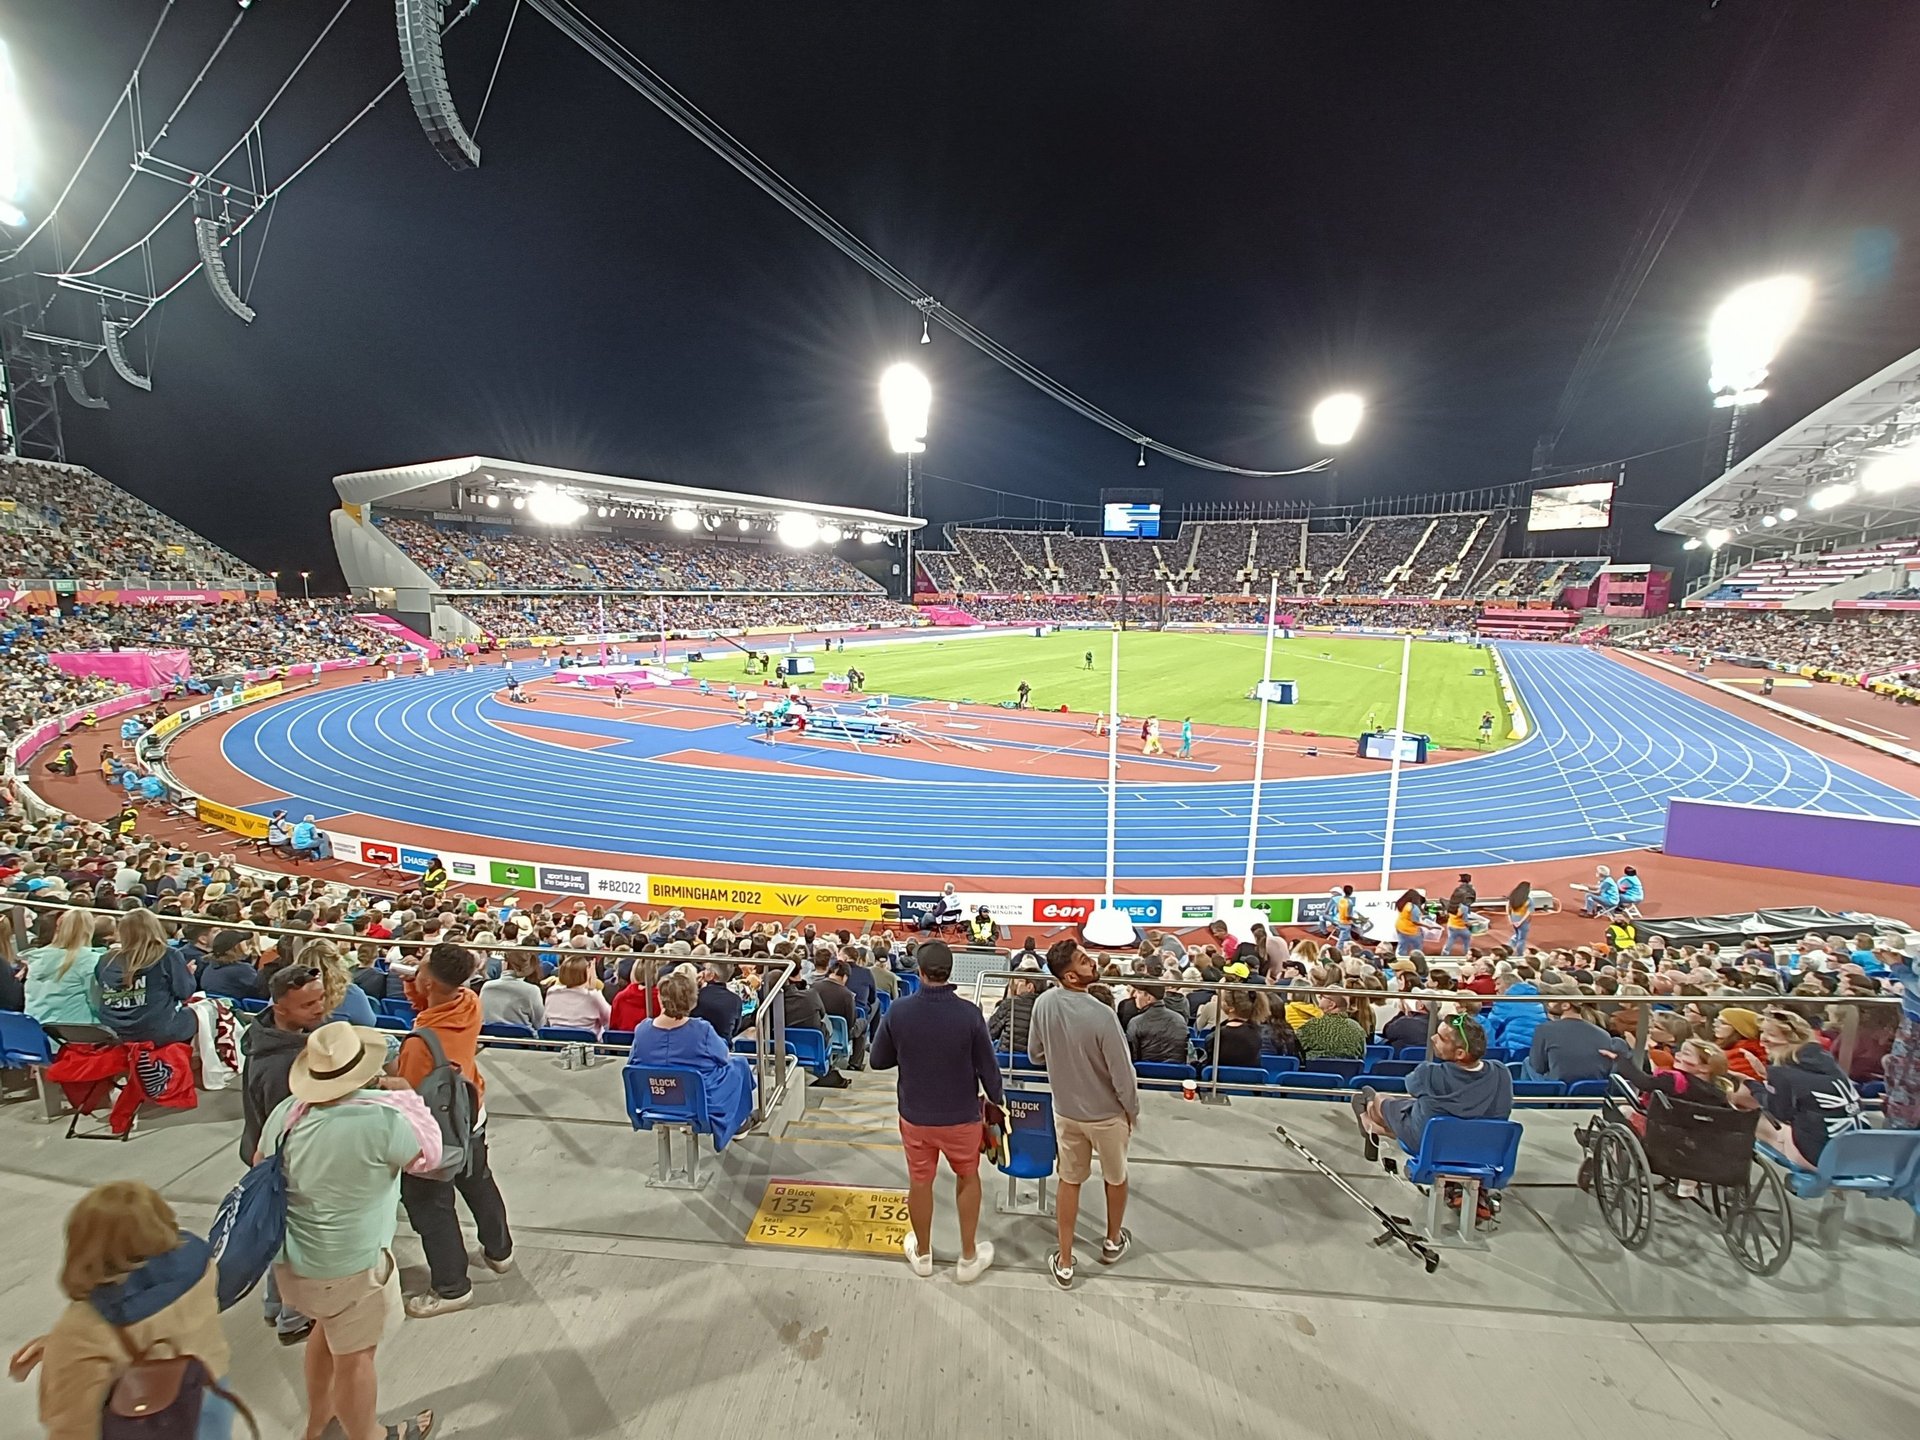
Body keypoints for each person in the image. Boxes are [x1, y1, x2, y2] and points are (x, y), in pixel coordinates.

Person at [258, 1023, 437, 1440]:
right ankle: (369, 1435)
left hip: (294, 1265)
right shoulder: (380, 1119)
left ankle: (319, 1423)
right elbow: (428, 1157)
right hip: (352, 1266)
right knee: (357, 1358)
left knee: (325, 1329)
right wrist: (407, 1098)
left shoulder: (287, 1112)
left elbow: (258, 1159)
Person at [11, 1181, 239, 1440]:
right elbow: (160, 1326)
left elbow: (72, 1424)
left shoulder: (85, 1327)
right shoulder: (201, 1266)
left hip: (143, 1422)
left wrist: (63, 1348)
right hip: (210, 1389)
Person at [869, 939, 1003, 1282]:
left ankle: (924, 1254)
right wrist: (998, 1106)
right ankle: (968, 1257)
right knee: (968, 1177)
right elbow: (989, 1071)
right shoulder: (970, 1014)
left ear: (919, 971)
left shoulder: (898, 1011)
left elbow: (878, 1060)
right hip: (962, 1118)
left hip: (915, 1117)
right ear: (950, 971)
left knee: (920, 1181)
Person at [395, 943, 514, 1318]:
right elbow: (430, 1008)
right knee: (478, 1181)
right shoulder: (467, 1003)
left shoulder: (418, 1048)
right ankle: (499, 1251)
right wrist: (421, 981)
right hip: (472, 1114)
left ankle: (451, 1287)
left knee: (432, 1208)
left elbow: (409, 1101)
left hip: (437, 1133)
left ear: (428, 981)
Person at [1027, 940, 1138, 1289]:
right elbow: (1123, 1075)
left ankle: (1063, 1260)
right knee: (1115, 1177)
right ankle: (1112, 1241)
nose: (1092, 962)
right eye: (1084, 960)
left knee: (1069, 1180)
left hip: (1065, 1111)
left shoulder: (1043, 1003)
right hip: (1106, 1116)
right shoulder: (1103, 1015)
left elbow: (1034, 1054)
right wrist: (1131, 1112)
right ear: (1072, 976)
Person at [241, 964, 333, 1346]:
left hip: (264, 1155)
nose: (318, 1008)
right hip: (287, 1164)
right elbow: (294, 1129)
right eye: (307, 1004)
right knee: (299, 1242)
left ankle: (274, 1303)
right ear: (280, 1008)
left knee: (282, 1236)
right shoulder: (285, 1067)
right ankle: (294, 1317)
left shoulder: (269, 1037)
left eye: (320, 999)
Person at [628, 969, 757, 1148]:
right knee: (740, 1064)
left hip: (653, 1098)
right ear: (692, 1001)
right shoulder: (701, 1030)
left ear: (660, 998)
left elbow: (633, 1064)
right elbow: (724, 1057)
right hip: (698, 1100)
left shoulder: (642, 1030)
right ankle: (739, 1124)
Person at [1355, 1013, 1512, 1158]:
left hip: (1430, 1143)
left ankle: (1369, 1118)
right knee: (1413, 1106)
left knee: (1381, 1100)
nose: (1432, 1038)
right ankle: (1377, 1124)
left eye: (1441, 1038)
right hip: (1483, 1146)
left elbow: (1411, 1087)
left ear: (1460, 1053)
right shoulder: (1501, 1071)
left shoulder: (1428, 1073)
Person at [1754, 1008, 1867, 1169]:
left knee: (1752, 1119)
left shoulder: (1780, 1072)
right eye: (1762, 1032)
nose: (1762, 1041)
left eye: (1770, 1034)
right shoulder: (1826, 1060)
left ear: (1790, 1039)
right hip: (1858, 1154)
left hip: (1820, 1158)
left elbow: (1780, 1114)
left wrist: (1755, 1088)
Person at [95, 908, 197, 1045]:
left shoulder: (105, 960)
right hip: (156, 1031)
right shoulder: (168, 955)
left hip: (113, 1032)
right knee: (209, 1013)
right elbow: (184, 992)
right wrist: (187, 975)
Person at [21, 907, 106, 1027]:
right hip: (75, 1036)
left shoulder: (36, 958)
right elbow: (98, 1004)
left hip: (35, 1033)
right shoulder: (90, 960)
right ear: (89, 930)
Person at [1525, 999, 1616, 1083]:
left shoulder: (1544, 1029)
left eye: (1552, 1001)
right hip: (1594, 1089)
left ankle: (1522, 1099)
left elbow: (1538, 1067)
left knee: (1527, 1062)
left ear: (1566, 1005)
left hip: (1557, 1089)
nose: (1548, 1004)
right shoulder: (1604, 1034)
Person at [814, 958, 867, 1070]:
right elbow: (851, 1022)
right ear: (845, 977)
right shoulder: (847, 995)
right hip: (841, 1033)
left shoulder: (814, 987)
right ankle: (855, 1063)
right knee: (863, 1023)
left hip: (819, 1029)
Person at [544, 955, 613, 1037]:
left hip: (557, 1044)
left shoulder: (552, 991)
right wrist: (593, 988)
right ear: (588, 973)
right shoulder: (593, 995)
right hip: (588, 1047)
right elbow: (610, 1020)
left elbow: (546, 1020)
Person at [480, 949, 546, 1029]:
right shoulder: (532, 990)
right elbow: (540, 1025)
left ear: (505, 964)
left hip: (488, 1039)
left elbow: (481, 1017)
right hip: (524, 1040)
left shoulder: (486, 986)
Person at [199, 927, 267, 1002]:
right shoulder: (243, 969)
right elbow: (262, 993)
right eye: (243, 942)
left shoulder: (208, 969)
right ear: (236, 947)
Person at [1296, 991, 1368, 1059]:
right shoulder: (1357, 1028)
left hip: (1315, 1070)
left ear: (1331, 1005)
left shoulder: (1312, 1025)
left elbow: (1297, 1049)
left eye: (1321, 997)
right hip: (1347, 1071)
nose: (1319, 999)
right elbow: (1362, 1055)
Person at [987, 973, 1043, 1055]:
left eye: (1019, 983)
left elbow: (990, 1032)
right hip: (1039, 1060)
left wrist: (1009, 997)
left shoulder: (1011, 1004)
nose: (1015, 987)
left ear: (1029, 987)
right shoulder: (1047, 1006)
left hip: (1010, 1058)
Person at [1712, 1006, 1770, 1082]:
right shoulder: (1726, 1047)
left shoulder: (1746, 1053)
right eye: (1716, 1021)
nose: (1715, 1025)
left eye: (1722, 1023)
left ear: (1739, 1028)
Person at [692, 959, 743, 1040]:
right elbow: (735, 1029)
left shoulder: (697, 996)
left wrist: (694, 986)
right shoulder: (736, 1000)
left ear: (712, 975)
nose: (703, 972)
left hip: (698, 1043)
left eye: (705, 969)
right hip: (723, 1045)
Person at [1506, 881, 1533, 954]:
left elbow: (1508, 906)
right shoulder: (1528, 900)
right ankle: (1519, 954)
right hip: (1522, 921)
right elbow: (1528, 912)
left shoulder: (1513, 897)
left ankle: (1509, 948)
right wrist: (1521, 922)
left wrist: (1510, 918)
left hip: (1514, 919)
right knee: (1522, 938)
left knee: (1517, 935)